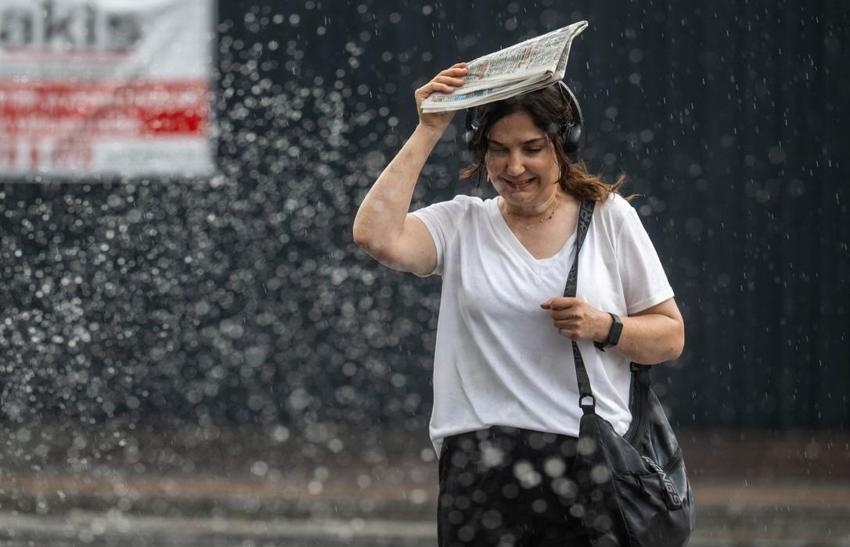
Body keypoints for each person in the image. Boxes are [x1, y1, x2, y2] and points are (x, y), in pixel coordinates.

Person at [352, 63, 685, 546]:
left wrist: (605, 326)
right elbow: (374, 235)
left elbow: (669, 337)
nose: (514, 168)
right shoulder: (462, 223)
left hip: (588, 466)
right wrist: (429, 127)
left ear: (564, 147)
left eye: (532, 149)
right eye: (498, 150)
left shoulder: (611, 218)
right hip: (479, 471)